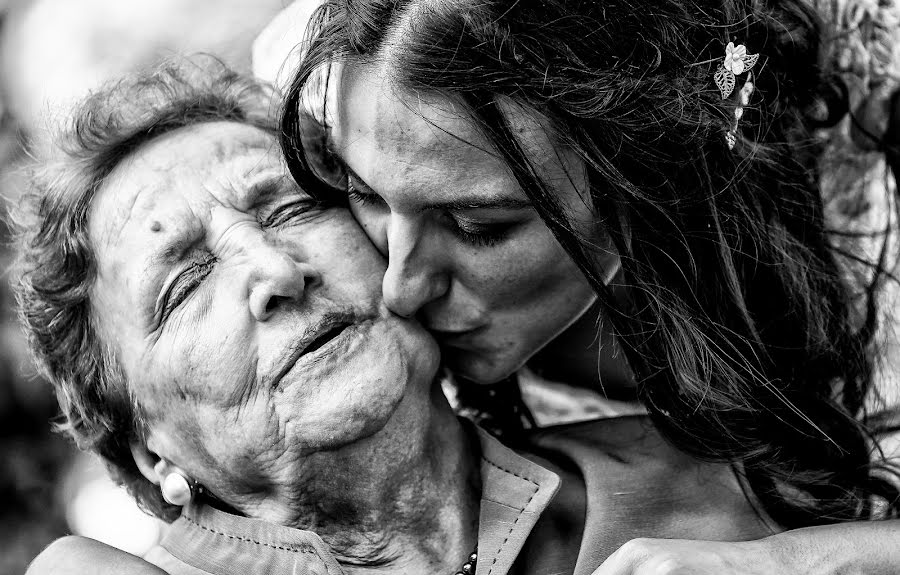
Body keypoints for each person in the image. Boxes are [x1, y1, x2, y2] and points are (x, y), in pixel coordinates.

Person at [17, 60, 786, 575]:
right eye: (184, 283)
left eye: (288, 208)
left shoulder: (689, 469)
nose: (276, 272)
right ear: (147, 450)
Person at [277, 0, 900, 573]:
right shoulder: (333, 79)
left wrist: (787, 564)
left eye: (477, 226)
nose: (401, 288)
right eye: (363, 193)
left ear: (649, 166)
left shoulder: (866, 114)